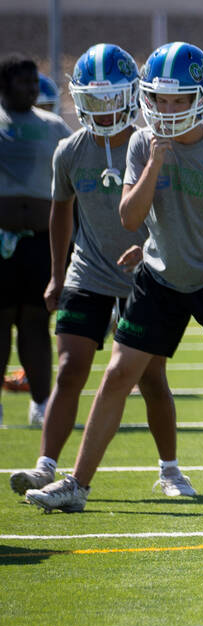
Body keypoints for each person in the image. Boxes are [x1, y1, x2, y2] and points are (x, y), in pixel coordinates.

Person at [24, 41, 203, 513]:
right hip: (157, 275)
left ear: (201, 98)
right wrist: (157, 161)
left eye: (179, 99)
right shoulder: (141, 143)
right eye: (159, 99)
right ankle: (76, 483)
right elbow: (129, 217)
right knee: (119, 373)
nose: (167, 108)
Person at [10, 44, 194, 498]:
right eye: (93, 100)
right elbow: (60, 213)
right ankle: (45, 465)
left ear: (132, 97)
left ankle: (170, 469)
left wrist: (152, 249)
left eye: (112, 99)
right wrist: (57, 273)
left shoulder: (150, 146)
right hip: (88, 272)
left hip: (144, 277)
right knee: (70, 367)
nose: (104, 109)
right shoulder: (69, 150)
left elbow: (171, 212)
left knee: (151, 378)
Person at [0, 55, 71, 428]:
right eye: (23, 82)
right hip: (1, 242)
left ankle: (41, 403)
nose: (32, 89)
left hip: (41, 242)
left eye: (34, 82)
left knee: (35, 322)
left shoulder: (54, 126)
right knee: (0, 321)